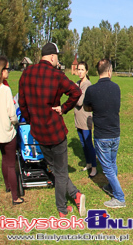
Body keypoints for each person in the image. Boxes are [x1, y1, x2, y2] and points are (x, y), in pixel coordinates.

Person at [18, 42, 85, 217]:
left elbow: (22, 103)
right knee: (60, 171)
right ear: (53, 57)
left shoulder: (27, 73)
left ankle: (75, 195)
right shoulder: (56, 75)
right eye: (58, 57)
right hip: (55, 131)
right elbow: (76, 92)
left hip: (38, 131)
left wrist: (30, 119)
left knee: (55, 168)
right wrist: (63, 108)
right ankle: (62, 209)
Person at [84, 59, 125, 208]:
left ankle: (119, 197)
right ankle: (110, 186)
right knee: (112, 162)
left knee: (107, 166)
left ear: (98, 72)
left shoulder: (91, 90)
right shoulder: (116, 88)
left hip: (102, 135)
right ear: (109, 71)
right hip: (115, 133)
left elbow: (86, 108)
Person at [0, 56, 22, 205]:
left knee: (4, 158)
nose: (9, 71)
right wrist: (16, 123)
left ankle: (8, 186)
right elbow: (12, 113)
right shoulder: (6, 89)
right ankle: (15, 197)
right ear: (2, 71)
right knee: (10, 163)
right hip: (7, 131)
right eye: (7, 68)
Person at [73, 61, 97, 178]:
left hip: (85, 118)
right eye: (78, 69)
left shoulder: (87, 85)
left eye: (82, 69)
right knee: (83, 143)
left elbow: (79, 101)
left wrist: (73, 95)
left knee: (88, 143)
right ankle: (88, 163)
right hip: (78, 118)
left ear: (86, 71)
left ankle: (94, 166)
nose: (80, 72)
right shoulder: (77, 83)